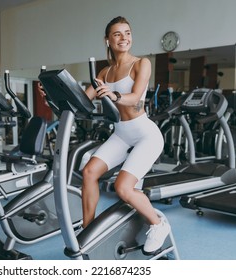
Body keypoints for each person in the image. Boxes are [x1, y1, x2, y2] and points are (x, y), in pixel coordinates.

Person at [81, 16, 170, 255]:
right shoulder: (105, 71)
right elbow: (82, 101)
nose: (124, 38)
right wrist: (52, 94)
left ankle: (158, 224)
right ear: (107, 40)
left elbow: (136, 97)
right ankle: (88, 231)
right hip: (121, 133)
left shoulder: (141, 63)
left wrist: (114, 96)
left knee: (123, 188)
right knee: (89, 172)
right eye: (117, 34)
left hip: (144, 134)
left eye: (127, 33)